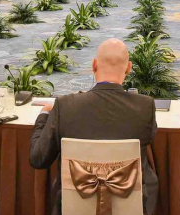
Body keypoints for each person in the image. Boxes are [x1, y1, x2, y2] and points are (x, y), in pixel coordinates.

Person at [30, 39, 158, 215]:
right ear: (128, 68)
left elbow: (38, 159)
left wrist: (44, 114)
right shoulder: (145, 107)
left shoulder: (65, 106)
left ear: (94, 65)